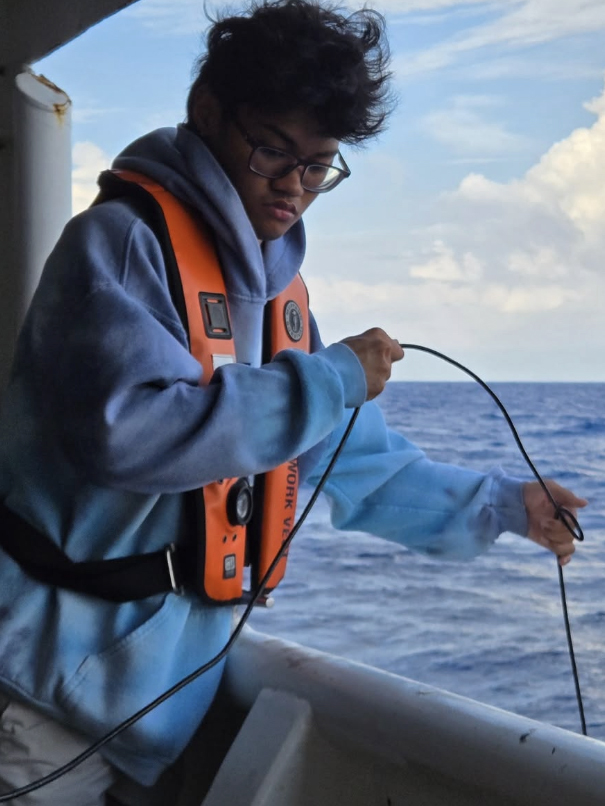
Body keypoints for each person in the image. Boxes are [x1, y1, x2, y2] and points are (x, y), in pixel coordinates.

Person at [0, 0, 587, 803]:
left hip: (151, 707)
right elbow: (129, 435)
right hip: (38, 701)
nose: (294, 187)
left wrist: (505, 506)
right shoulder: (122, 242)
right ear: (209, 112)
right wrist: (335, 376)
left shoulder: (278, 297)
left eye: (319, 166)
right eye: (273, 150)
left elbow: (354, 463)